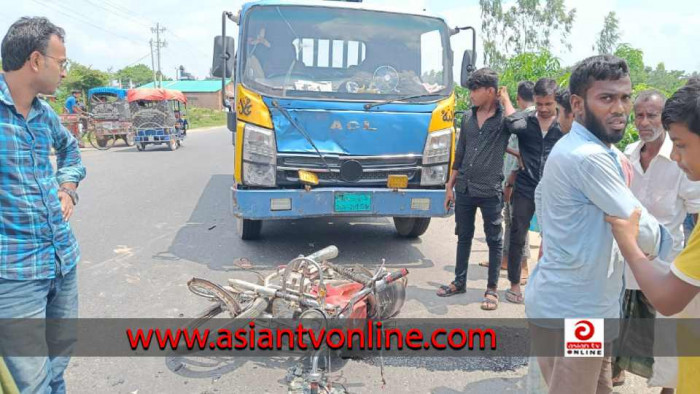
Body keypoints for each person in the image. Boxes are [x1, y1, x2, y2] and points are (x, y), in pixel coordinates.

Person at [525, 55, 671, 392]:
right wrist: (671, 246)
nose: (620, 108)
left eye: (624, 97)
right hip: (577, 312)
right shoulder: (588, 158)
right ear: (577, 104)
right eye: (606, 98)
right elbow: (642, 232)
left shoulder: (585, 149)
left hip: (573, 301)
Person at [0, 17, 86, 392]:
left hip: (62, 261)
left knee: (57, 369)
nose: (64, 72)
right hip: (15, 277)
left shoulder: (43, 113)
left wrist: (67, 188)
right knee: (30, 383)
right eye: (61, 62)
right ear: (36, 60)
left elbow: (70, 150)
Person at [606, 79, 700, 394]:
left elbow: (670, 299)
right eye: (639, 116)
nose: (644, 123)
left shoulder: (682, 166)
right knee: (623, 328)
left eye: (652, 116)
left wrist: (631, 243)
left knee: (665, 343)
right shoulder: (626, 157)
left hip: (664, 266)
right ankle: (613, 372)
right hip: (631, 267)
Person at [437, 68, 515, 311]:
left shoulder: (504, 119)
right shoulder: (468, 118)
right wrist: (449, 187)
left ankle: (491, 289)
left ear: (490, 91)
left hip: (490, 189)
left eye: (474, 89)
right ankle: (459, 282)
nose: (470, 94)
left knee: (494, 240)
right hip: (465, 188)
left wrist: (507, 101)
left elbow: (520, 124)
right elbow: (459, 154)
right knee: (464, 237)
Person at [503, 78, 565, 304]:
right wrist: (516, 163)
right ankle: (514, 285)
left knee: (555, 237)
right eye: (539, 104)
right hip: (526, 186)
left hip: (555, 189)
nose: (544, 109)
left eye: (548, 104)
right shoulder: (525, 122)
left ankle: (550, 286)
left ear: (556, 101)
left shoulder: (564, 127)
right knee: (518, 234)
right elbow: (507, 123)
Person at [480, 80, 534, 276]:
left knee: (520, 222)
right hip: (510, 177)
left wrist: (505, 100)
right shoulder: (522, 115)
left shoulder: (528, 116)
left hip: (520, 179)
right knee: (510, 221)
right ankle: (505, 260)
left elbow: (516, 124)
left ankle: (524, 265)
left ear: (519, 99)